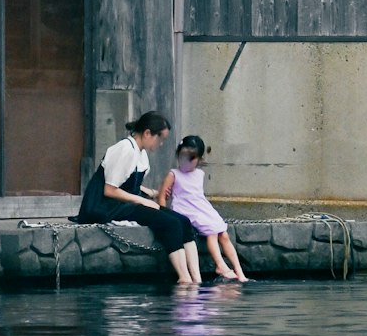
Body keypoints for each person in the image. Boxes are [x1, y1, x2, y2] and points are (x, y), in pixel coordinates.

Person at [76, 112, 200, 285]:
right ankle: (184, 278)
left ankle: (196, 278)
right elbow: (110, 189)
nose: (161, 143)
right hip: (107, 206)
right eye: (160, 138)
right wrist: (142, 200)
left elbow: (126, 181)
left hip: (126, 203)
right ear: (148, 133)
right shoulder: (124, 149)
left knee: (183, 221)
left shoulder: (141, 153)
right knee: (170, 223)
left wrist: (148, 192)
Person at [159, 135, 247, 283]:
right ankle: (220, 265)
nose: (186, 162)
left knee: (223, 234)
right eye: (183, 157)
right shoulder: (173, 174)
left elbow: (197, 194)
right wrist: (163, 213)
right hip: (186, 209)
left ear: (199, 159)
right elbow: (162, 196)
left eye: (191, 159)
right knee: (212, 232)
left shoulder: (200, 174)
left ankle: (239, 271)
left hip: (201, 207)